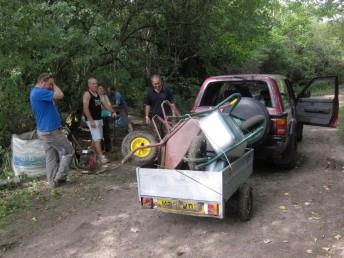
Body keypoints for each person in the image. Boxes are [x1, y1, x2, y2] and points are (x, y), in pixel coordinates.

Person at [30, 73, 74, 188]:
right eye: (49, 84)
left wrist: (51, 84)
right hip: (50, 130)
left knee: (51, 156)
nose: (50, 87)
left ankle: (51, 182)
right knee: (68, 151)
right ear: (42, 82)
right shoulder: (39, 92)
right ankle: (60, 178)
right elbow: (60, 95)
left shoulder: (36, 92)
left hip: (44, 130)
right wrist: (54, 84)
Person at [83, 78, 117, 163]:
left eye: (96, 84)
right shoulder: (87, 94)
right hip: (92, 119)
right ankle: (100, 156)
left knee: (97, 138)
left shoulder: (97, 94)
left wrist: (113, 111)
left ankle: (89, 153)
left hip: (99, 118)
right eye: (93, 84)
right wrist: (90, 120)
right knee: (97, 138)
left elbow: (105, 105)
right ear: (89, 85)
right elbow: (85, 108)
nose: (95, 85)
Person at [98, 85, 112, 152]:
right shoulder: (96, 97)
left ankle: (108, 147)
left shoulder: (105, 96)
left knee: (106, 132)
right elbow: (98, 107)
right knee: (100, 133)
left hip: (105, 115)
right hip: (98, 116)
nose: (101, 90)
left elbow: (109, 105)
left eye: (102, 89)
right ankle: (101, 148)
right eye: (100, 88)